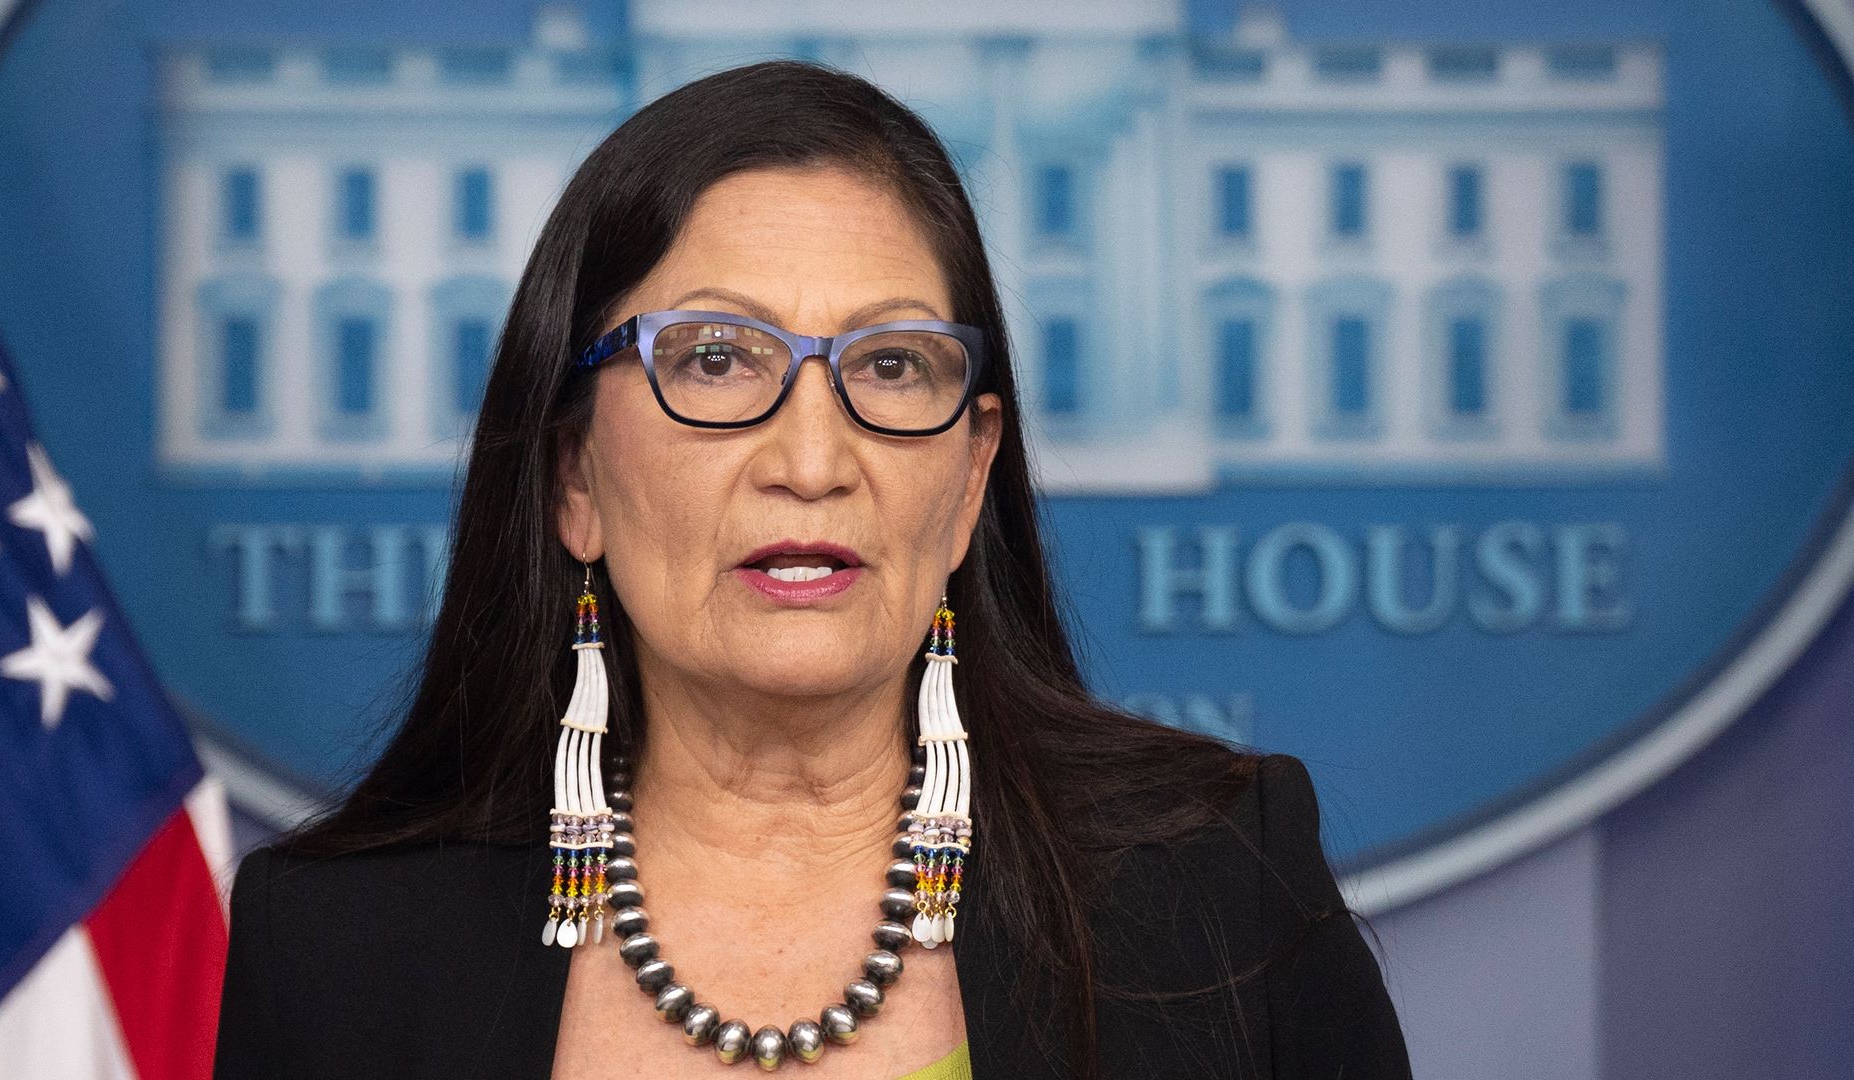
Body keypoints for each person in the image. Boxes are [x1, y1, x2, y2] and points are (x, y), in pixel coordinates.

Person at [211, 59, 1413, 1080]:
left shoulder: (1220, 886)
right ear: (574, 476)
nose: (812, 457)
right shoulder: (334, 951)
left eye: (891, 368)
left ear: (968, 478)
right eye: (720, 359)